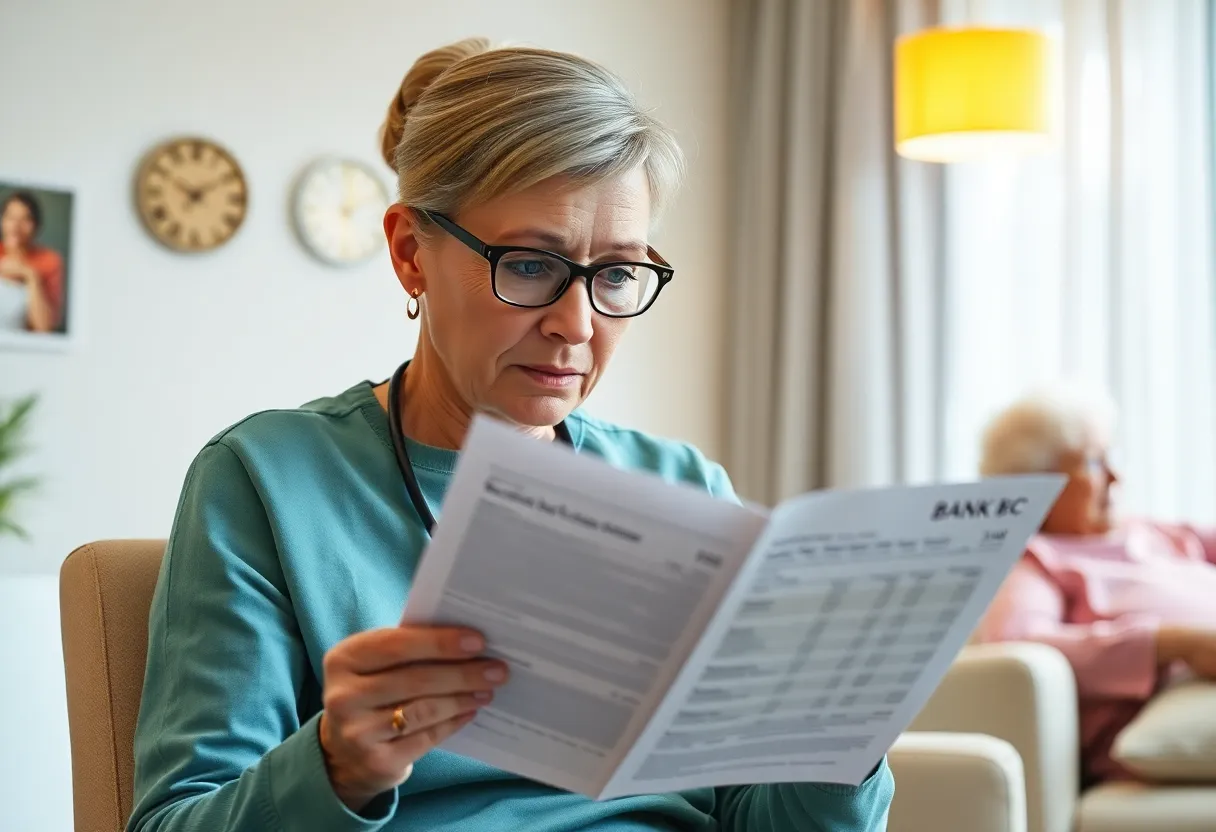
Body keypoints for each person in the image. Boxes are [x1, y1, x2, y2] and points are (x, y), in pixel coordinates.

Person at [126, 38, 893, 832]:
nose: (577, 324)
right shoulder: (267, 481)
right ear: (408, 253)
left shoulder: (683, 488)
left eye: (617, 274)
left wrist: (840, 733)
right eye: (529, 265)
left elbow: (766, 820)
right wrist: (337, 766)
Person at [973, 386, 1216, 787]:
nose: (1115, 476)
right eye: (1092, 463)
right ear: (1037, 484)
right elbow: (1015, 646)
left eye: (1110, 457)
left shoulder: (1153, 531)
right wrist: (1173, 643)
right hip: (1169, 712)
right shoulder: (1036, 561)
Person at [0, 191, 65, 334]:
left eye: (25, 219)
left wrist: (30, 275)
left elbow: (44, 329)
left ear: (36, 226)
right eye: (10, 217)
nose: (15, 227)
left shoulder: (49, 260)